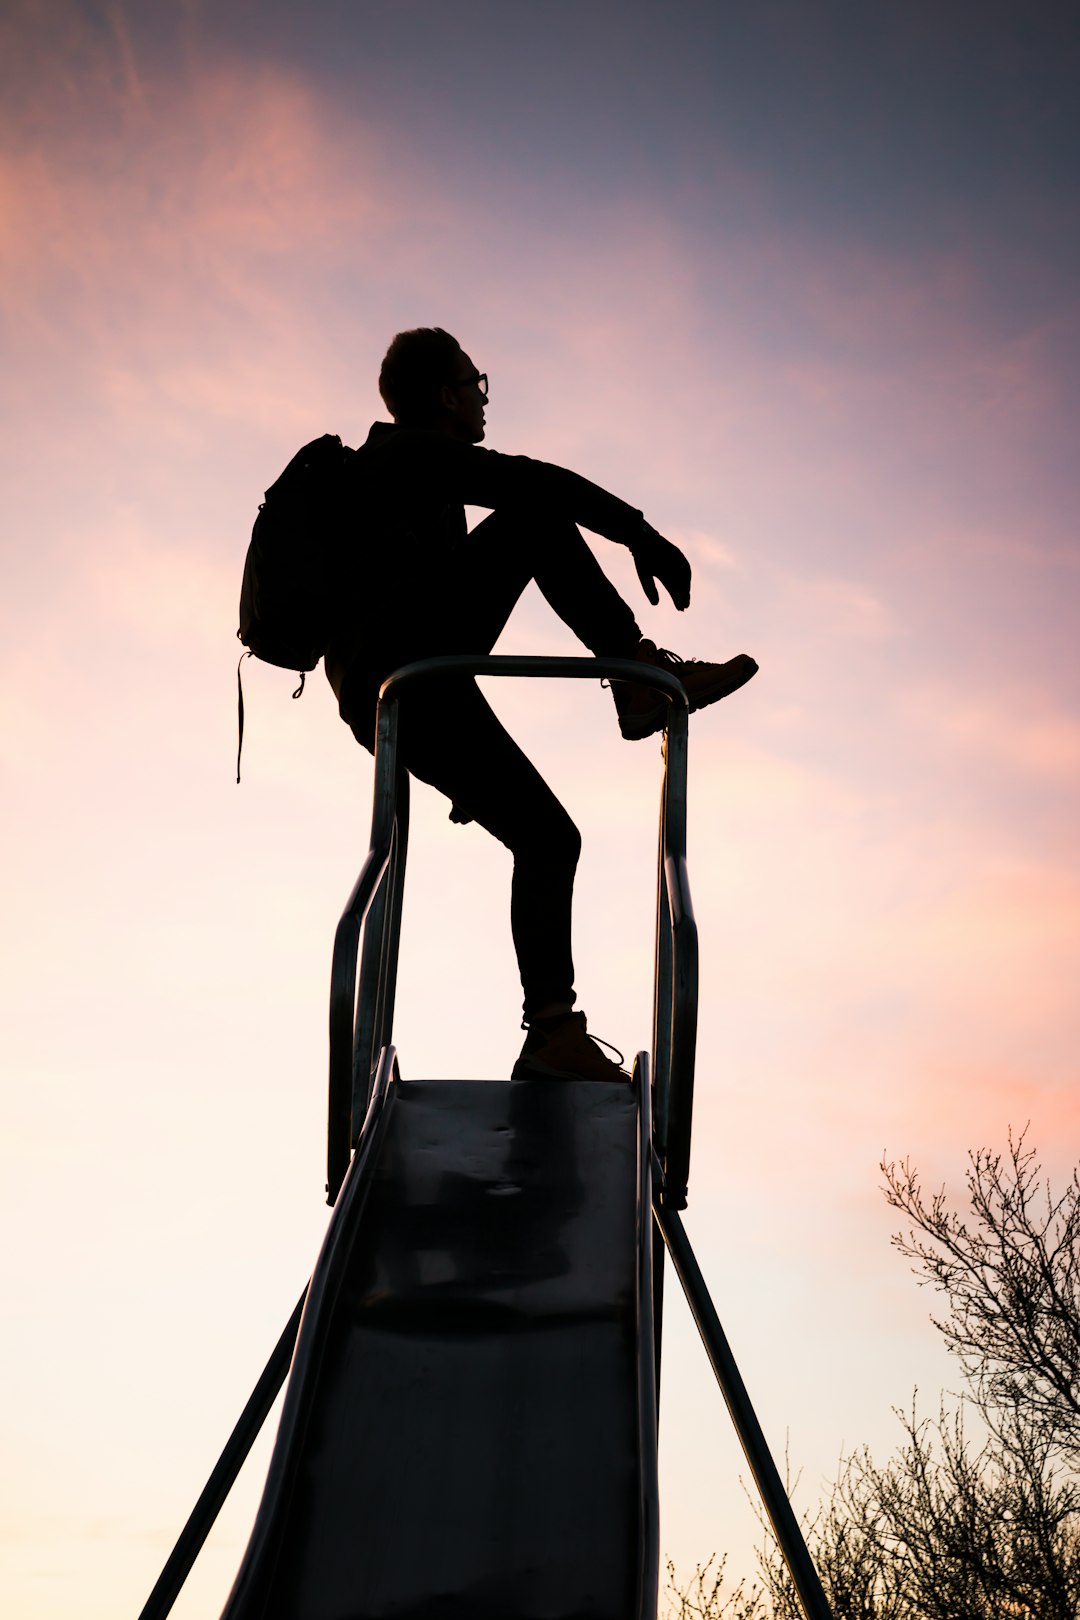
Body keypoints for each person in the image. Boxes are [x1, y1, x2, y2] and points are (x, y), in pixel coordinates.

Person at [324, 328, 757, 1083]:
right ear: (443, 395)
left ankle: (553, 1033)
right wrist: (638, 531)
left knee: (550, 838)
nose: (484, 395)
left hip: (415, 687)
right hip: (408, 674)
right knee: (536, 515)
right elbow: (533, 482)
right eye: (475, 381)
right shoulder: (403, 456)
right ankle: (632, 675)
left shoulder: (413, 483)